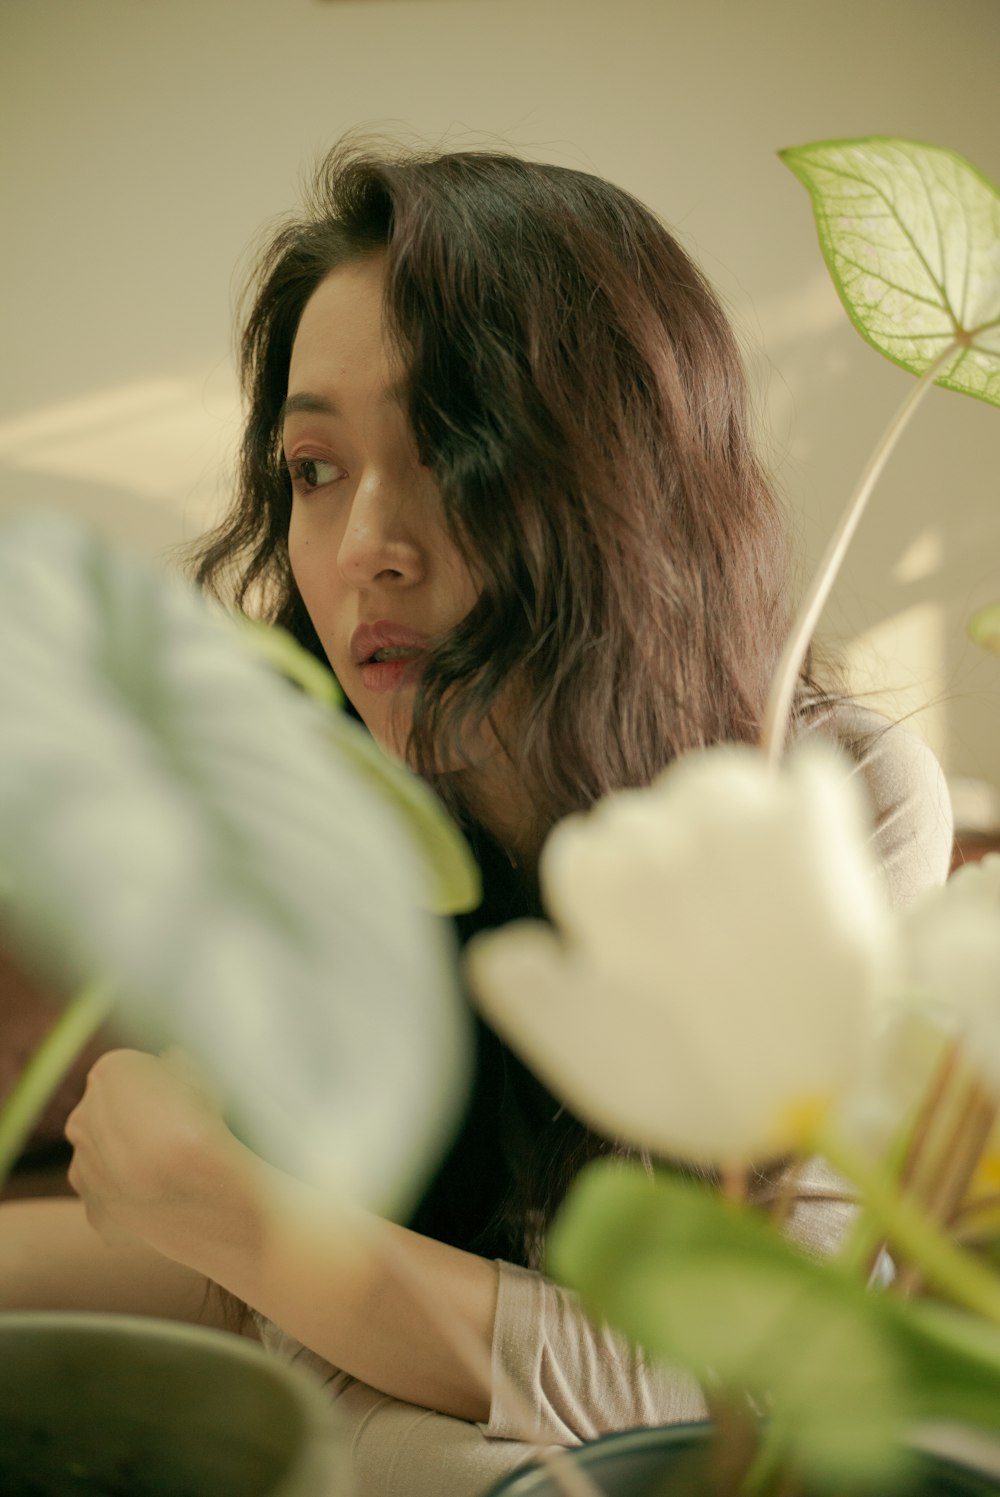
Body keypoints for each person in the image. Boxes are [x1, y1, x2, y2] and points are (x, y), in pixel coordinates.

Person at [0, 143, 953, 1496]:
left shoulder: (837, 809)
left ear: (625, 479)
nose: (362, 547)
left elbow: (733, 1387)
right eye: (316, 469)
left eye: (451, 447)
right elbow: (252, 1286)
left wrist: (262, 1226)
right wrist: (241, 1231)